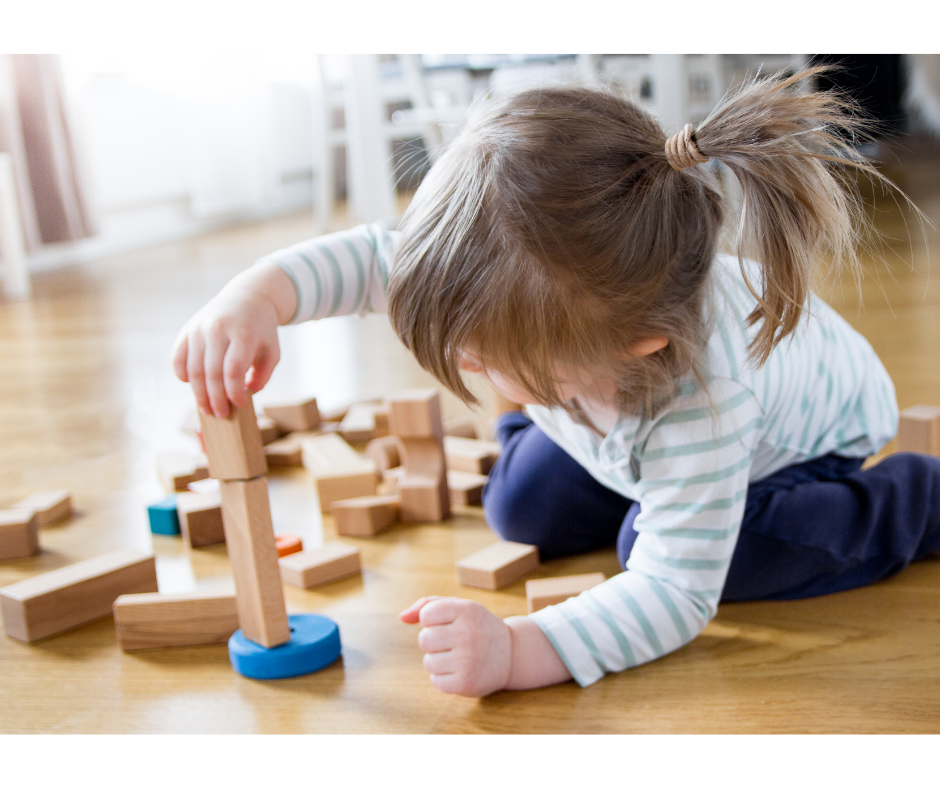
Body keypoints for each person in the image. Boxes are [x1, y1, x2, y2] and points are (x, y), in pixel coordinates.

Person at [172, 68, 940, 698]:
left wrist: (519, 649)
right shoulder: (537, 293)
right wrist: (257, 297)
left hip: (795, 451)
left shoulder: (704, 408)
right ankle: (560, 425)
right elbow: (378, 260)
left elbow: (674, 595)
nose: (465, 366)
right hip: (614, 419)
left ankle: (915, 501)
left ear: (634, 348)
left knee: (677, 549)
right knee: (519, 505)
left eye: (485, 355)